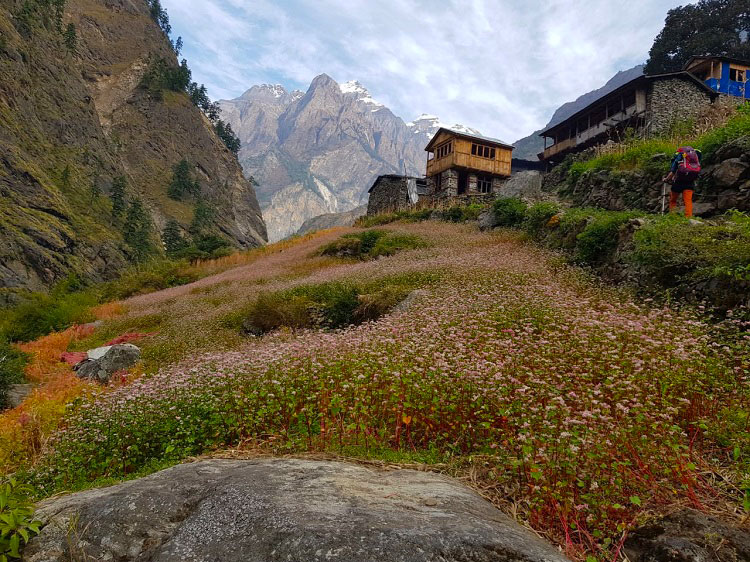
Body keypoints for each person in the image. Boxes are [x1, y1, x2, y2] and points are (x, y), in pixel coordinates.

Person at [662, 146, 702, 218]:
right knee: (688, 201)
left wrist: (666, 179)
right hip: (690, 183)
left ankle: (672, 216)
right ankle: (688, 217)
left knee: (673, 200)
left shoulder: (679, 157)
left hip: (678, 182)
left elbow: (672, 172)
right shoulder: (695, 158)